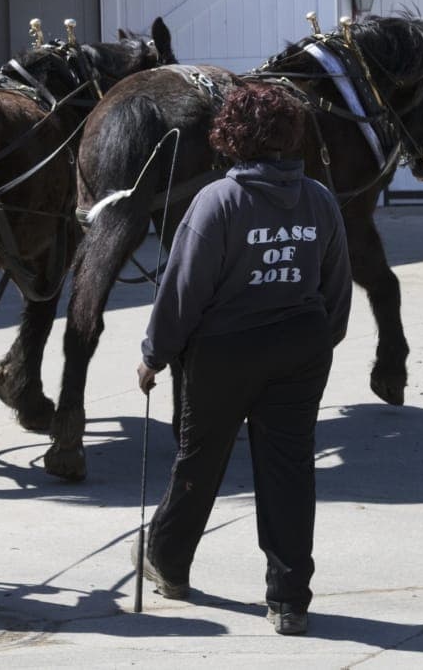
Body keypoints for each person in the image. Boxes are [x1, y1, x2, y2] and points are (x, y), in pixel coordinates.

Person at [134, 81, 352, 635]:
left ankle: (168, 562)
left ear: (233, 137)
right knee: (289, 470)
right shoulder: (319, 200)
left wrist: (153, 356)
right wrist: (319, 342)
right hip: (300, 347)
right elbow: (336, 285)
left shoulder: (219, 201)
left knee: (201, 460)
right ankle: (289, 601)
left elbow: (183, 289)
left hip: (225, 351)